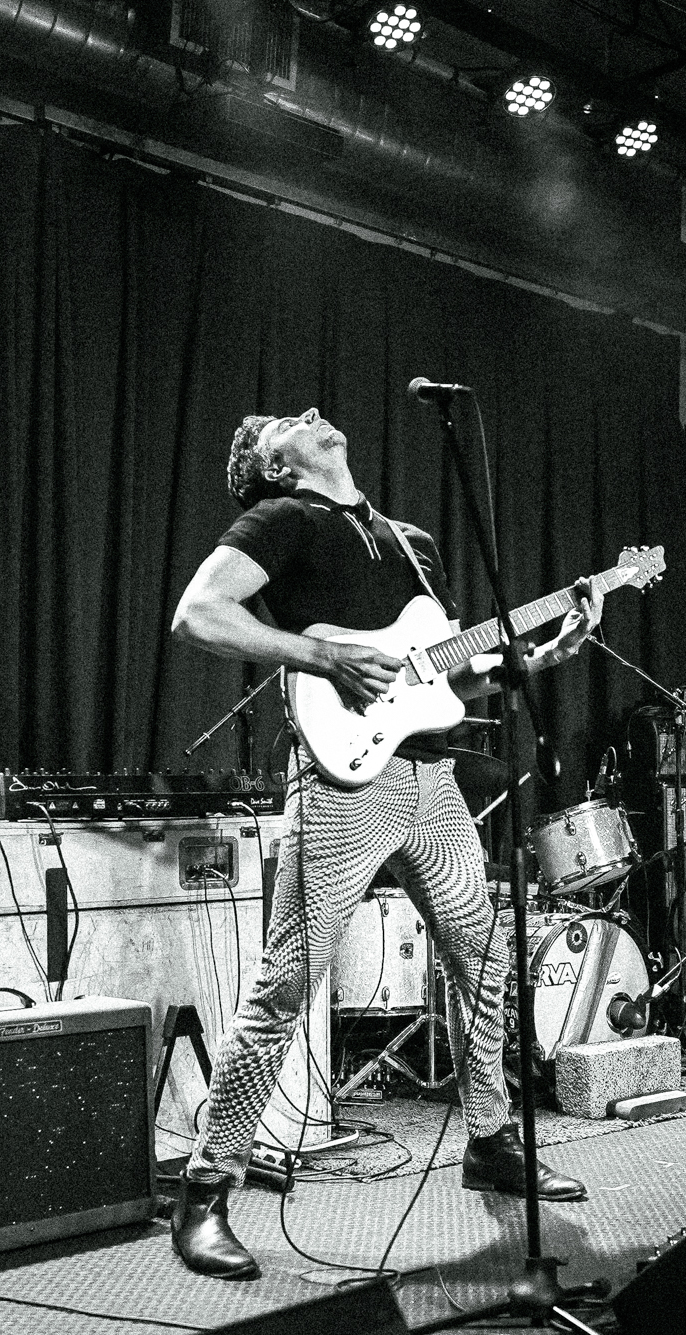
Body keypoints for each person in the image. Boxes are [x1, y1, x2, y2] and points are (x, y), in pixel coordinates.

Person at [164, 407, 600, 1278]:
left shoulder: (413, 543)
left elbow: (446, 676)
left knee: (484, 956)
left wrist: (542, 655)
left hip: (431, 780)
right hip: (340, 784)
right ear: (275, 467)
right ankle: (206, 1186)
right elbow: (197, 615)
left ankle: (490, 1139)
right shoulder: (282, 519)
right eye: (286, 421)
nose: (313, 414)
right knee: (287, 981)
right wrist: (320, 658)